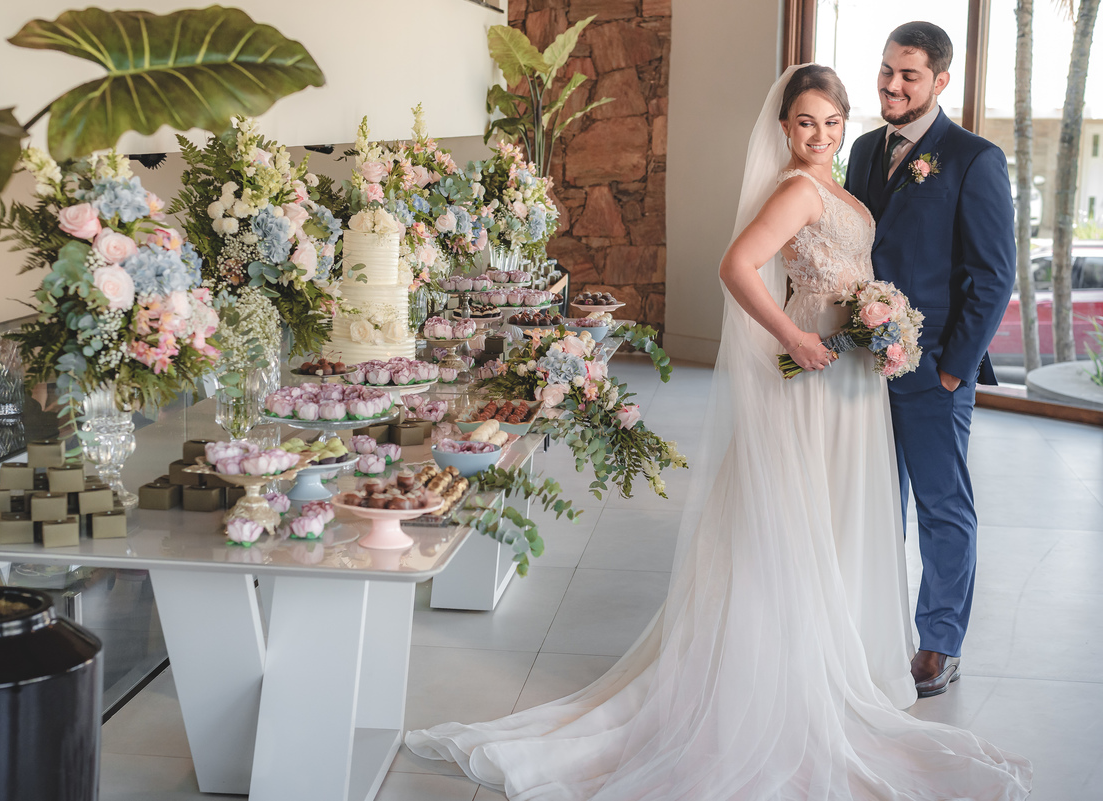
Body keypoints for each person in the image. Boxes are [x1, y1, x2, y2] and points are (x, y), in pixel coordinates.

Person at [405, 64, 1032, 800]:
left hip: (852, 374)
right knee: (797, 518)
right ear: (784, 126)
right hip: (817, 367)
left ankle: (838, 656)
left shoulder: (840, 176)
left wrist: (879, 317)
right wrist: (793, 338)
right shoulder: (798, 188)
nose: (820, 135)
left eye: (832, 122)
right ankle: (781, 670)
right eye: (806, 122)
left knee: (831, 516)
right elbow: (737, 266)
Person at [845, 21, 1016, 698]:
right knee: (872, 500)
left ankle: (939, 642)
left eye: (909, 75)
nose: (892, 84)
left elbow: (992, 276)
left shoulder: (975, 158)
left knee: (942, 506)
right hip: (862, 366)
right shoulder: (863, 150)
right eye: (887, 69)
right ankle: (872, 627)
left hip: (934, 366)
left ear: (941, 81)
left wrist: (953, 369)